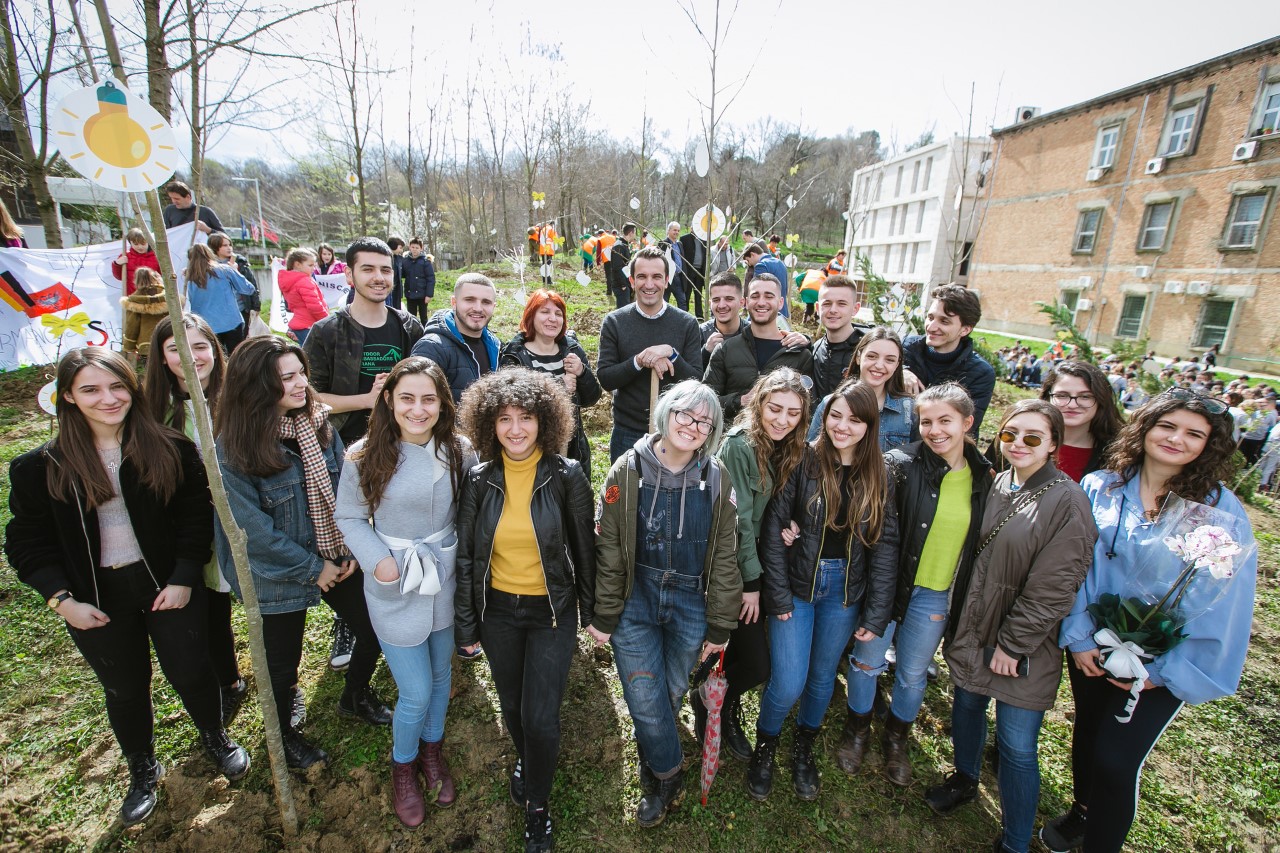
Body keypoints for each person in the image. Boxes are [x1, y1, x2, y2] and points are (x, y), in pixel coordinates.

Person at [6, 348, 249, 827]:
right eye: (91, 390)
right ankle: (142, 764)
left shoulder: (170, 448)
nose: (108, 398)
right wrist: (62, 600)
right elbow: (26, 542)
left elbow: (195, 518)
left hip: (165, 584)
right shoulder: (41, 467)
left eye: (117, 386)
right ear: (69, 398)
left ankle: (214, 735)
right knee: (124, 686)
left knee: (191, 669)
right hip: (93, 595)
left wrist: (183, 577)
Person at [1046, 389, 1258, 853]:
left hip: (1157, 662)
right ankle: (1083, 811)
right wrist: (1078, 636)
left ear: (1210, 444)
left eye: (1193, 433)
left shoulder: (1221, 513)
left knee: (1116, 760)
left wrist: (1161, 672)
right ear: (1145, 427)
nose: (1176, 439)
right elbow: (1075, 563)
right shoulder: (1101, 485)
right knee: (1088, 733)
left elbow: (1223, 601)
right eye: (1167, 426)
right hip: (1092, 641)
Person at [924, 399, 1097, 853]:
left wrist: (1014, 645)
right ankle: (964, 778)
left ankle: (1016, 841)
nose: (1019, 444)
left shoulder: (1067, 501)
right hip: (975, 627)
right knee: (966, 706)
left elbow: (1055, 587)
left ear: (1054, 444)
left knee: (1018, 743)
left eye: (1033, 437)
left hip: (1022, 645)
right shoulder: (999, 483)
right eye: (1010, 435)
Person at [215, 337, 392, 772]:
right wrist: (314, 569)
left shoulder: (318, 424)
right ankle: (284, 737)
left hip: (337, 552)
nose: (301, 385)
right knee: (281, 666)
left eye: (300, 373)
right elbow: (252, 531)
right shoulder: (234, 448)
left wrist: (348, 548)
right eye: (286, 378)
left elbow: (342, 493)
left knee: (375, 629)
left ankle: (354, 695)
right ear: (255, 387)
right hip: (278, 571)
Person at [587, 380, 741, 828]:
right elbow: (610, 548)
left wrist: (721, 624)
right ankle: (669, 773)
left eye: (703, 421)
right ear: (666, 413)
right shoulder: (626, 470)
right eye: (684, 415)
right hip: (637, 597)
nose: (691, 426)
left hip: (692, 600)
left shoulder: (717, 478)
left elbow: (726, 554)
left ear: (711, 432)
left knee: (669, 691)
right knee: (643, 695)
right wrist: (605, 613)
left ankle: (651, 755)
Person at [455, 369, 596, 853]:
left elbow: (584, 549)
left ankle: (538, 806)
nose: (516, 429)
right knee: (512, 706)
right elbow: (468, 557)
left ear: (546, 422)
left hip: (551, 612)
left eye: (527, 418)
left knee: (541, 716)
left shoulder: (567, 475)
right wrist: (466, 623)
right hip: (498, 612)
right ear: (488, 425)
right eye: (504, 419)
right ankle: (527, 760)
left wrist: (594, 614)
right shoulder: (478, 478)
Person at [334, 357, 476, 828]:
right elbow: (350, 517)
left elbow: (468, 513)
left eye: (429, 399)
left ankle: (432, 753)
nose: (418, 409)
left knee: (439, 676)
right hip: (394, 580)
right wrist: (380, 559)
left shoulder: (458, 451)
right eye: (407, 398)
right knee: (413, 690)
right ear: (390, 400)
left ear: (442, 404)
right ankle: (403, 767)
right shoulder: (364, 455)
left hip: (443, 575)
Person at [750, 381, 899, 802]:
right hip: (798, 586)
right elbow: (772, 529)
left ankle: (804, 747)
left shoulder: (879, 473)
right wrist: (777, 596)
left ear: (869, 425)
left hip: (845, 593)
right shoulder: (803, 462)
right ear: (825, 416)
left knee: (820, 681)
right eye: (836, 415)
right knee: (789, 682)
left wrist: (876, 614)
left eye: (854, 419)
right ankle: (767, 744)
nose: (842, 426)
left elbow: (886, 547)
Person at [839, 383, 993, 786]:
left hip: (936, 593)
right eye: (926, 421)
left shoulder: (983, 476)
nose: (935, 430)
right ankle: (857, 729)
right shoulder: (899, 464)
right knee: (867, 661)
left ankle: (896, 738)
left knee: (912, 673)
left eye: (946, 421)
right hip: (887, 586)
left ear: (967, 422)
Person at [306, 238, 425, 671]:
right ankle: (350, 619)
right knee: (351, 532)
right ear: (349, 274)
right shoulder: (327, 332)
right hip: (341, 451)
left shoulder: (408, 327)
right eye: (369, 270)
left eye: (385, 270)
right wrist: (367, 400)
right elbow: (309, 396)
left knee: (394, 528)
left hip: (401, 446)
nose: (379, 278)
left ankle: (405, 601)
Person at [143, 311, 247, 725]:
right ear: (161, 356)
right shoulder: (154, 411)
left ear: (214, 350)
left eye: (200, 346)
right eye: (176, 349)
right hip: (187, 526)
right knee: (208, 603)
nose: (191, 356)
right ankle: (227, 679)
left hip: (236, 517)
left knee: (234, 593)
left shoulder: (235, 399)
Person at [714, 369, 810, 761]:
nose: (782, 420)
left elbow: (772, 506)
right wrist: (751, 583)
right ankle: (711, 700)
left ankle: (722, 702)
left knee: (744, 648)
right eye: (775, 409)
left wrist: (788, 523)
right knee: (756, 664)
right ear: (758, 405)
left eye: (793, 413)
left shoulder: (784, 446)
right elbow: (737, 522)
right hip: (736, 563)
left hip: (763, 558)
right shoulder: (740, 446)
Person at [596, 246, 704, 462]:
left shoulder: (687, 324)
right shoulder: (614, 322)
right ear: (632, 282)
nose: (649, 284)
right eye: (642, 277)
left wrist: (672, 355)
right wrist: (638, 361)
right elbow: (606, 378)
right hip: (628, 432)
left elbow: (695, 379)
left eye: (656, 277)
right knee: (626, 494)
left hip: (674, 432)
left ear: (666, 281)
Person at [498, 289, 602, 480]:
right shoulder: (515, 355)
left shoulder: (571, 349)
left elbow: (592, 398)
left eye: (558, 314)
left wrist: (582, 372)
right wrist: (557, 386)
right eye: (544, 312)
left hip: (571, 449)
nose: (552, 319)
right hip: (529, 450)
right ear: (531, 315)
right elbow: (512, 404)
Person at [986, 360, 1124, 484]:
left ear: (1101, 399)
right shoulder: (1014, 437)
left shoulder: (1118, 453)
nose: (1072, 404)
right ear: (1047, 397)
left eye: (1085, 396)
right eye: (1062, 395)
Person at [704, 272, 813, 421]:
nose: (761, 302)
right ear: (747, 302)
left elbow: (808, 409)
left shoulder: (799, 354)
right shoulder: (726, 350)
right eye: (755, 296)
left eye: (769, 296)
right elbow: (705, 401)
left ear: (780, 302)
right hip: (733, 439)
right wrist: (741, 400)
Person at [902, 284, 996, 434]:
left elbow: (965, 429)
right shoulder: (906, 349)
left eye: (944, 321)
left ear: (965, 329)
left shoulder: (980, 373)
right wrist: (901, 370)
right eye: (930, 317)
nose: (931, 327)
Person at [806, 327, 916, 451]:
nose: (879, 365)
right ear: (859, 357)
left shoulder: (909, 410)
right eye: (872, 356)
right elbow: (811, 455)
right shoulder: (829, 404)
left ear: (897, 364)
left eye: (889, 360)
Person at [410, 272, 501, 403]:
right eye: (469, 300)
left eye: (486, 302)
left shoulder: (496, 347)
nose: (478, 308)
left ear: (493, 307)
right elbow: (417, 403)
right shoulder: (432, 347)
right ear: (454, 302)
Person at [183, 243, 255, 354]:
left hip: (203, 325)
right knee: (236, 357)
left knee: (214, 359)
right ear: (209, 255)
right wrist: (234, 270)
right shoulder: (224, 270)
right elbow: (248, 289)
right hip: (231, 321)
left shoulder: (188, 278)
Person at [809, 275, 867, 401]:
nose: (833, 310)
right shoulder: (815, 350)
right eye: (827, 304)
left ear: (855, 309)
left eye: (841, 304)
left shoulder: (867, 350)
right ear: (818, 308)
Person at [207, 232, 260, 329]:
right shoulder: (209, 266)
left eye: (230, 245)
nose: (229, 248)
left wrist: (256, 306)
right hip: (220, 312)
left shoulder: (240, 263)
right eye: (224, 245)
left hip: (241, 309)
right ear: (215, 247)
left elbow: (252, 285)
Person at [278, 248, 329, 346]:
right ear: (297, 264)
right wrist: (327, 320)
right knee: (314, 357)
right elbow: (315, 306)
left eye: (314, 265)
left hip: (300, 323)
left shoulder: (290, 281)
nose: (313, 268)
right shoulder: (304, 281)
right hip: (309, 324)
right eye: (310, 265)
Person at [121, 268, 167, 367]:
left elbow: (132, 326)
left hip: (145, 346)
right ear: (156, 277)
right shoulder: (168, 297)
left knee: (144, 375)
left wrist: (129, 347)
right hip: (168, 342)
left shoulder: (134, 301)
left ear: (136, 280)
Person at [700, 271, 747, 357]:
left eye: (729, 299)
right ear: (710, 304)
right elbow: (689, 369)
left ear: (741, 302)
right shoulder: (699, 333)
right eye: (716, 300)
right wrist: (706, 352)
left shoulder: (752, 333)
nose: (721, 305)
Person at [742, 243, 792, 319]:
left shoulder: (761, 265)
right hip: (782, 310)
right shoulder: (780, 263)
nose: (750, 264)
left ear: (752, 254)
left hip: (768, 312)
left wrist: (749, 320)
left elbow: (757, 292)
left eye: (748, 261)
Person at [111, 227, 160, 296]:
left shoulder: (156, 257)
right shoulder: (125, 256)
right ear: (130, 243)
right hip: (132, 297)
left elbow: (164, 277)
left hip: (152, 297)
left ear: (148, 242)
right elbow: (119, 277)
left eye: (143, 243)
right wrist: (117, 264)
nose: (140, 247)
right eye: (136, 244)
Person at [401, 238, 436, 324]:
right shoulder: (405, 261)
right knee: (411, 317)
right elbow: (403, 274)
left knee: (423, 316)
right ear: (409, 247)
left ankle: (425, 332)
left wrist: (429, 294)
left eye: (417, 248)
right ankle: (412, 334)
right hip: (410, 294)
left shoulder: (425, 262)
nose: (414, 250)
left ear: (421, 248)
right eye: (413, 247)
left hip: (422, 295)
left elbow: (431, 278)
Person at [658, 221, 689, 313]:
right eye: (674, 230)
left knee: (682, 301)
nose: (677, 232)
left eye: (678, 230)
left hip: (679, 277)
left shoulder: (679, 244)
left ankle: (683, 320)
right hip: (668, 277)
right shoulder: (663, 243)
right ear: (669, 230)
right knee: (664, 300)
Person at [680, 226, 708, 319]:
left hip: (700, 271)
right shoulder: (684, 239)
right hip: (689, 271)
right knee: (687, 293)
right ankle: (686, 314)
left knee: (698, 294)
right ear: (691, 228)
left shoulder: (704, 240)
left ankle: (699, 315)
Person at [604, 223, 635, 308]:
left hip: (626, 283)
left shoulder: (624, 245)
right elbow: (617, 267)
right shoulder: (619, 246)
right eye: (634, 233)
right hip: (621, 285)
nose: (635, 235)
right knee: (623, 310)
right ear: (631, 233)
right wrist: (623, 285)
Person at [534, 221, 558, 285]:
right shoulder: (551, 229)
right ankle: (549, 281)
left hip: (543, 249)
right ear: (553, 225)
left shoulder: (543, 229)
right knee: (548, 265)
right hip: (548, 249)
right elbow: (555, 238)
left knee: (544, 264)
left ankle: (544, 280)